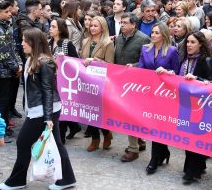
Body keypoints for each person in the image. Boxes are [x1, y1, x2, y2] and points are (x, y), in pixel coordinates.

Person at [0, 28, 76, 190]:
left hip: (43, 112)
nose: (22, 43)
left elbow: (48, 90)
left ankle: (17, 180)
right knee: (56, 143)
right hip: (42, 110)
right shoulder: (32, 59)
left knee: (23, 142)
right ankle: (67, 178)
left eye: (25, 40)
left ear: (34, 43)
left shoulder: (44, 61)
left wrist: (47, 118)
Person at [138, 22, 179, 174]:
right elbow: (141, 69)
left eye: (157, 33)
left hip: (165, 96)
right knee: (153, 126)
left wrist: (166, 72)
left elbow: (177, 73)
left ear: (164, 35)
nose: (153, 35)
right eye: (152, 32)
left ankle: (154, 159)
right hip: (149, 94)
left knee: (158, 126)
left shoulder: (172, 51)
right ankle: (164, 152)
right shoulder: (145, 49)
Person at [179, 32, 212, 184]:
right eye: (187, 42)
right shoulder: (185, 60)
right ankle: (195, 168)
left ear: (200, 44)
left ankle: (192, 171)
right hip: (186, 104)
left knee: (196, 137)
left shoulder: (205, 61)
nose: (189, 45)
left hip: (201, 106)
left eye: (192, 42)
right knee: (188, 137)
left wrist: (197, 80)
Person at [115, 13, 150, 162]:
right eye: (121, 22)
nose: (122, 25)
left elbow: (146, 62)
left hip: (136, 84)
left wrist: (134, 66)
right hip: (121, 82)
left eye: (125, 23)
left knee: (131, 116)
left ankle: (133, 149)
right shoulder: (119, 37)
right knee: (129, 115)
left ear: (133, 25)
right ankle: (139, 140)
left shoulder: (143, 39)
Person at [80, 16, 114, 152]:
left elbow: (110, 65)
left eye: (96, 26)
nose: (92, 28)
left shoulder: (108, 43)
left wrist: (94, 60)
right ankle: (95, 139)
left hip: (100, 83)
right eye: (91, 25)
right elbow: (80, 60)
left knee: (99, 112)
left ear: (102, 28)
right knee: (89, 112)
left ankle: (106, 134)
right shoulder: (85, 41)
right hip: (86, 82)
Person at [48, 18, 81, 144]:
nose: (50, 29)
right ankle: (74, 126)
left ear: (60, 29)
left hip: (64, 82)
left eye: (53, 27)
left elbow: (75, 63)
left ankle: (60, 138)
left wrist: (64, 60)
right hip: (50, 80)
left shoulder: (67, 44)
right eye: (50, 26)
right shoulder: (48, 42)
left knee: (60, 109)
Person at [0, 0, 22, 140]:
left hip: (8, 71)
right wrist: (15, 67)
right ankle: (2, 130)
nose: (9, 14)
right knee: (2, 101)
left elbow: (13, 47)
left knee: (5, 100)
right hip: (1, 72)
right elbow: (3, 53)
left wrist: (18, 63)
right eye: (6, 12)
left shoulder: (6, 25)